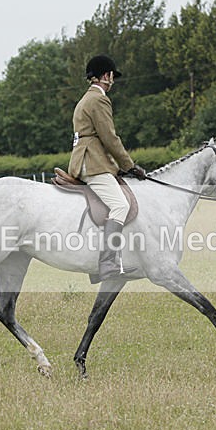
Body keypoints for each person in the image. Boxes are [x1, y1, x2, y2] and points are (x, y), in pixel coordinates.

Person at [69, 54, 146, 282]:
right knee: (120, 205)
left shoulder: (85, 99)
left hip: (89, 158)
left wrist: (117, 167)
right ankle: (106, 264)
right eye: (112, 76)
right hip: (92, 162)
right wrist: (129, 166)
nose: (113, 81)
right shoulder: (99, 99)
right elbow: (110, 138)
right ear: (106, 76)